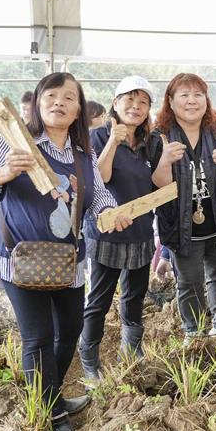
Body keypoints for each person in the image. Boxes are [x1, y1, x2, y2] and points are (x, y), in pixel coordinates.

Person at [0, 72, 130, 431]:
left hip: (66, 262)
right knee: (37, 338)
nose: (59, 102)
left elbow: (99, 197)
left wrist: (113, 213)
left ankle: (49, 394)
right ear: (39, 103)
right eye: (51, 95)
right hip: (19, 259)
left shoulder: (82, 155)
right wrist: (4, 172)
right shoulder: (13, 142)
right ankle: (53, 419)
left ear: (78, 110)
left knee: (70, 331)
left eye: (69, 97)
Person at [151, 73, 216, 345]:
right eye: (184, 95)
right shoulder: (160, 137)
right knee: (188, 280)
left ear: (206, 99)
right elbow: (159, 185)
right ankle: (194, 331)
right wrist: (165, 161)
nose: (192, 101)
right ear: (171, 100)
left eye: (198, 95)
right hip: (181, 223)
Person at [80, 76, 156, 382]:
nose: (135, 108)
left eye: (143, 103)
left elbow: (157, 181)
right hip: (106, 231)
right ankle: (89, 358)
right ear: (115, 103)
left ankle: (131, 349)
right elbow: (101, 177)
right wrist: (114, 139)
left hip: (140, 230)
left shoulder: (152, 142)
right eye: (129, 100)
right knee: (99, 297)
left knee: (135, 295)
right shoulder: (96, 137)